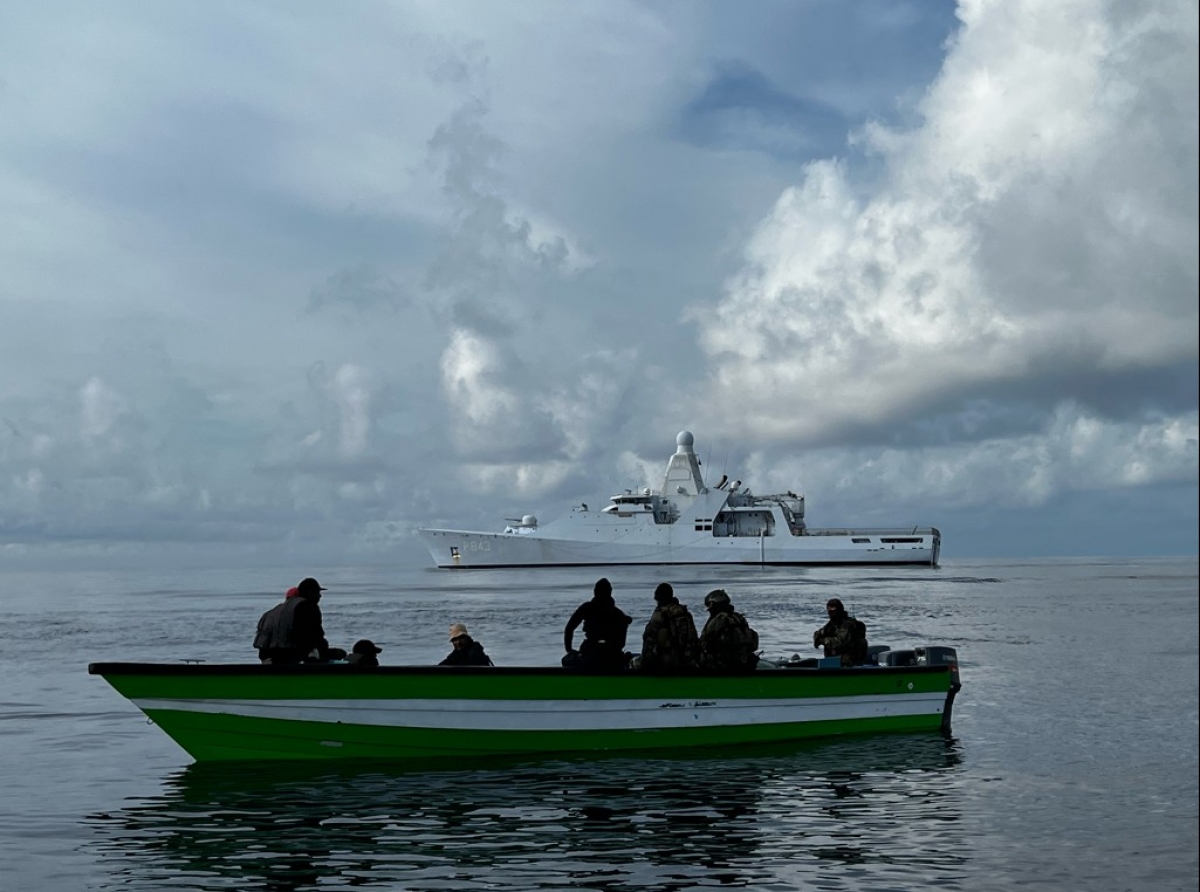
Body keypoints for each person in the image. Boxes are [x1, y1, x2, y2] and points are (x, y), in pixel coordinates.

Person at [253, 577, 346, 664]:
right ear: (309, 592)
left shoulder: (271, 612)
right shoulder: (308, 607)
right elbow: (314, 636)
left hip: (271, 658)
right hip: (293, 656)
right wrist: (323, 651)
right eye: (317, 592)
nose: (320, 596)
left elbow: (262, 643)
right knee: (340, 653)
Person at [563, 577, 632, 670]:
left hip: (597, 653)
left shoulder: (588, 608)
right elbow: (622, 642)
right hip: (605, 653)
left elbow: (569, 628)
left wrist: (569, 650)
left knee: (568, 660)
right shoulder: (617, 613)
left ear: (595, 592)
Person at [639, 582, 700, 671]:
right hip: (689, 660)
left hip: (668, 662)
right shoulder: (686, 614)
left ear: (659, 598)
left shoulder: (660, 614)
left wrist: (645, 664)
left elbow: (649, 640)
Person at [699, 589, 760, 672]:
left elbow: (703, 643)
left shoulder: (718, 620)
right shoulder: (739, 618)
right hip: (744, 661)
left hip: (723, 664)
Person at [812, 597, 868, 666]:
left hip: (851, 663)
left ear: (839, 611)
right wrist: (817, 638)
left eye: (833, 611)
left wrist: (822, 641)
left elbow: (839, 642)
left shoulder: (848, 625)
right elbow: (819, 633)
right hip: (835, 662)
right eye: (829, 612)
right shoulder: (832, 624)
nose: (831, 614)